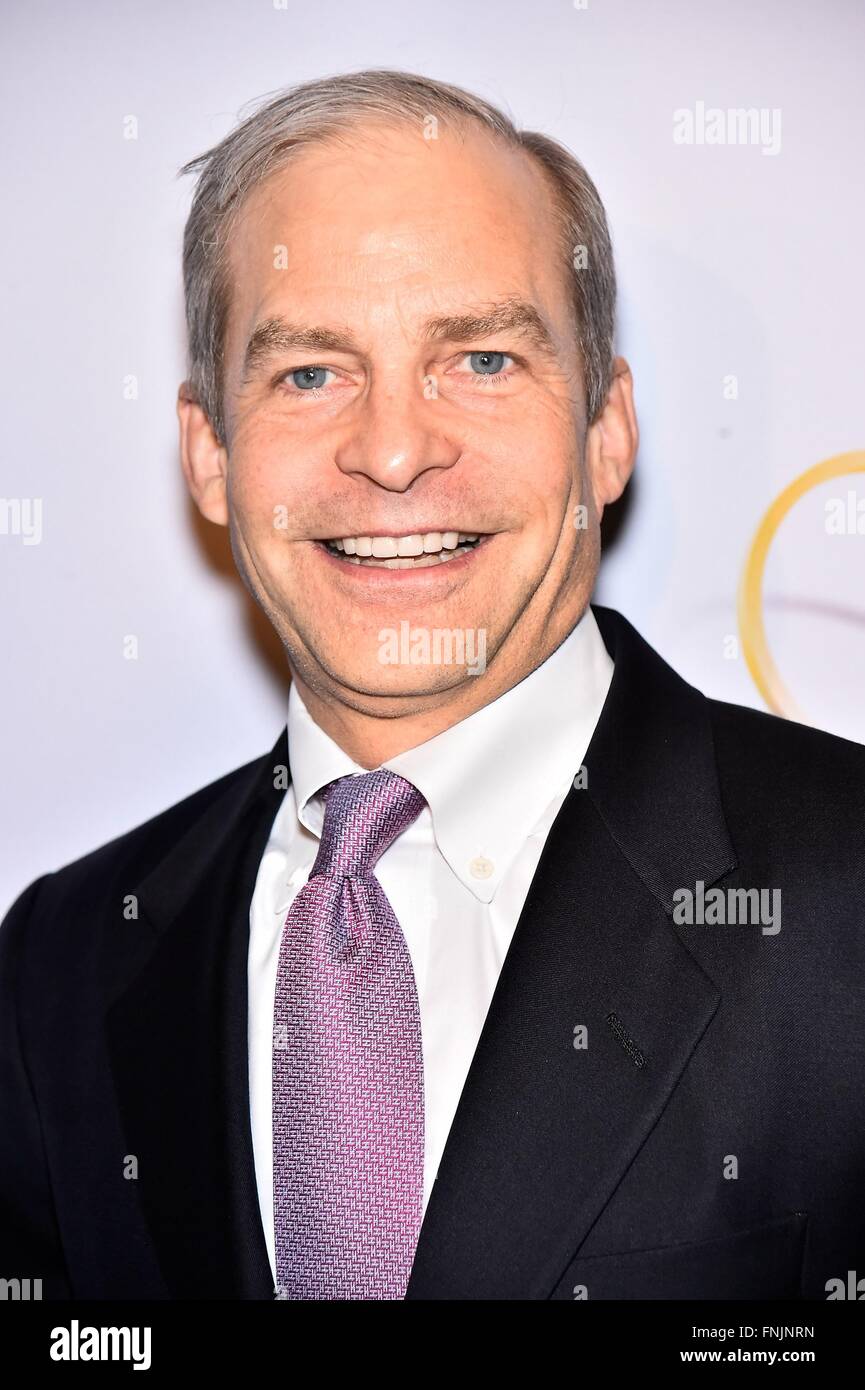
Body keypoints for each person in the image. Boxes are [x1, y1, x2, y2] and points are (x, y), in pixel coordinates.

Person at [2, 69, 863, 1302]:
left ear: (607, 431)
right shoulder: (61, 971)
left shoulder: (846, 904)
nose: (395, 450)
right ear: (210, 452)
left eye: (482, 358)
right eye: (309, 373)